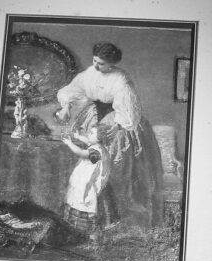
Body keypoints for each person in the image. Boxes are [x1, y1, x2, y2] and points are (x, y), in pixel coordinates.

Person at [56, 41, 164, 229]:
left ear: (112, 64)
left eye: (101, 63)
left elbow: (128, 112)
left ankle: (112, 217)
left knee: (111, 167)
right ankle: (80, 213)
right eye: (95, 61)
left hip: (119, 121)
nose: (96, 66)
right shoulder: (90, 73)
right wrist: (66, 106)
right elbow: (74, 89)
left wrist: (116, 126)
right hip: (93, 117)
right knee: (84, 169)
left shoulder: (121, 79)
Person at [61, 122, 119, 237]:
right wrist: (78, 137)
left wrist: (69, 143)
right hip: (85, 180)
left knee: (81, 202)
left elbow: (81, 153)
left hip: (86, 184)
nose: (88, 134)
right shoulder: (99, 147)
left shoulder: (96, 152)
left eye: (91, 133)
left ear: (99, 138)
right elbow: (88, 141)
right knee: (77, 199)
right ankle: (78, 230)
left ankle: (82, 232)